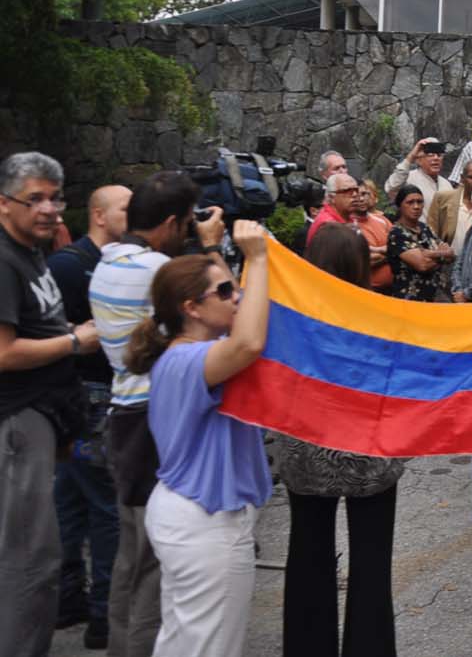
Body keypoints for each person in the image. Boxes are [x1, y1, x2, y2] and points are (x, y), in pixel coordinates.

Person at [89, 170, 224, 657]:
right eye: (188, 222)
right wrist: (211, 249)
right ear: (170, 223)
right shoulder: (157, 273)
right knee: (153, 570)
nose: (191, 229)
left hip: (123, 416)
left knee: (132, 559)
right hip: (152, 420)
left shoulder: (108, 261)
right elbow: (224, 308)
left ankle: (121, 645)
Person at [126, 221, 274, 657]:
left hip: (186, 512)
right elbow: (249, 343)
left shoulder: (187, 349)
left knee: (183, 641)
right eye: (227, 292)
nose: (238, 296)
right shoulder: (192, 360)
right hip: (206, 521)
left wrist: (213, 248)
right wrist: (258, 258)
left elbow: (234, 318)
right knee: (210, 648)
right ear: (192, 308)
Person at [280, 224, 405, 657]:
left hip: (305, 452)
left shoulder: (292, 319)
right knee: (371, 565)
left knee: (307, 557)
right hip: (369, 454)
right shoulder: (382, 318)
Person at [0, 153, 102, 657]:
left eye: (54, 198)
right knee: (26, 560)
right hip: (16, 422)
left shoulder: (32, 253)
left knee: (42, 551)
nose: (48, 209)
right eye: (34, 198)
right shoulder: (3, 259)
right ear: (3, 203)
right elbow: (3, 352)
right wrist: (77, 341)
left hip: (44, 421)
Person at [47, 184, 132, 649]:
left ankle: (70, 601)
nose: (133, 214)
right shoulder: (68, 266)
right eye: (125, 208)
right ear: (99, 215)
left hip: (89, 396)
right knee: (103, 506)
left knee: (73, 501)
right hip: (86, 398)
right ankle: (100, 614)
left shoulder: (104, 262)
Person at [387, 187, 454, 302]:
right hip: (410, 299)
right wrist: (442, 254)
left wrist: (430, 254)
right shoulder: (397, 233)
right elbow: (423, 265)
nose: (416, 206)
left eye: (420, 202)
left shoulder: (425, 227)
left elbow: (450, 255)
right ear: (400, 206)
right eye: (410, 202)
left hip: (435, 296)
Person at [426, 159, 472, 252]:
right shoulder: (443, 198)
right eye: (471, 177)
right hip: (448, 260)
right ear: (462, 178)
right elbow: (431, 230)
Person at [384, 137, 454, 210]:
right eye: (430, 155)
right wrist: (410, 157)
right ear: (419, 160)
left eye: (439, 155)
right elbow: (391, 188)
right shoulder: (408, 179)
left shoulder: (446, 185)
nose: (436, 158)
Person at [350, 180, 395, 294]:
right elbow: (364, 261)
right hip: (367, 291)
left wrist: (390, 252)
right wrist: (393, 253)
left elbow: (400, 244)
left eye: (364, 194)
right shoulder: (348, 226)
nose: (361, 199)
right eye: (357, 195)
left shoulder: (382, 220)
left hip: (393, 289)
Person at [307, 172, 360, 244]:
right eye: (347, 191)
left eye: (356, 190)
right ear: (332, 197)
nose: (355, 194)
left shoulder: (347, 215)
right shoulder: (328, 227)